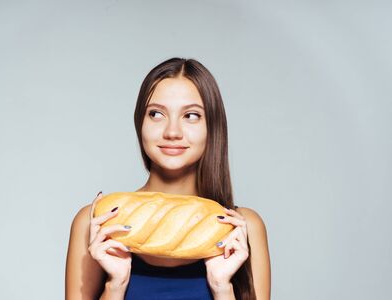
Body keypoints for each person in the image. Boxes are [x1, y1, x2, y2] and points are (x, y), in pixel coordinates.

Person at [65, 57, 271, 300]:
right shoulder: (98, 222)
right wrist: (115, 285)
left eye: (191, 116)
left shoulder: (241, 229)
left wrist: (222, 288)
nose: (172, 132)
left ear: (212, 126)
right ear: (139, 122)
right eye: (156, 114)